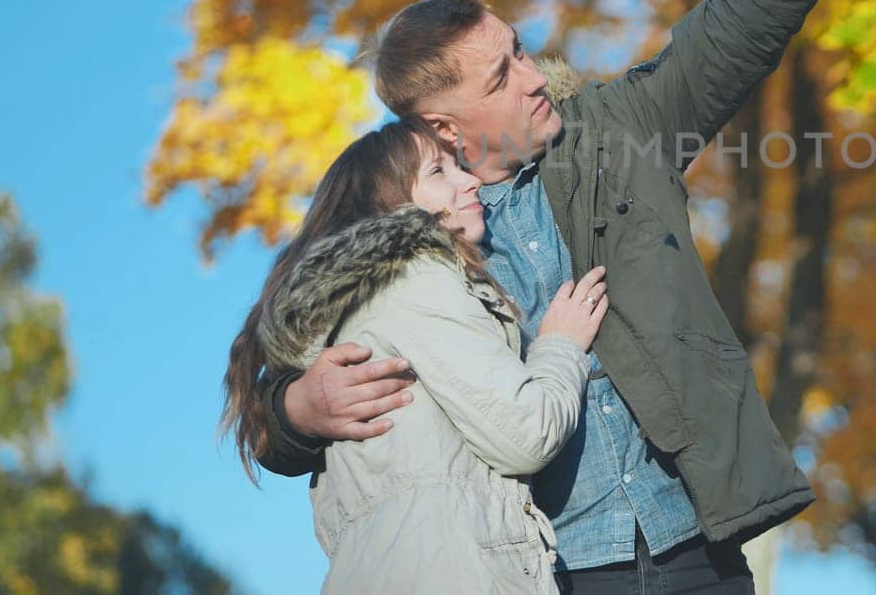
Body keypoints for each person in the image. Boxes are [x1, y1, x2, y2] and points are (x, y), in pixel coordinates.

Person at [250, 0, 876, 591]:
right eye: (502, 75)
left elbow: (737, 25)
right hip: (550, 570)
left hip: (696, 547)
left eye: (523, 49)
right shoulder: (406, 233)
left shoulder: (620, 133)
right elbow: (275, 369)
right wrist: (293, 411)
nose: (535, 76)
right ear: (442, 125)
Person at [220, 119, 610, 593]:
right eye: (439, 172)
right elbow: (525, 433)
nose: (470, 181)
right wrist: (561, 345)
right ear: (391, 205)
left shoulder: (352, 305)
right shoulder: (416, 276)